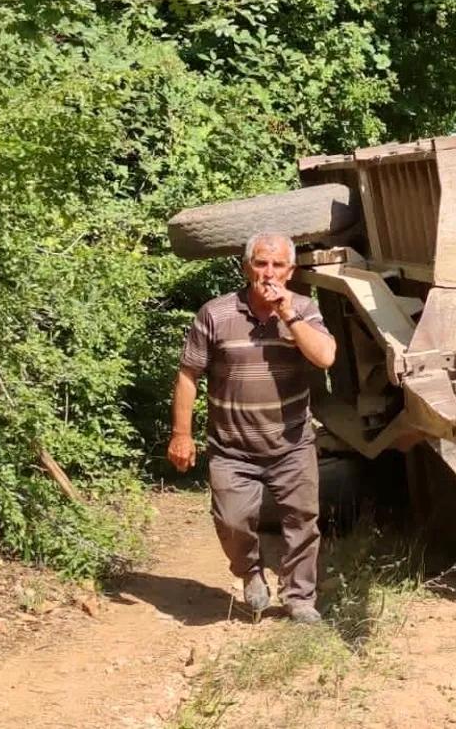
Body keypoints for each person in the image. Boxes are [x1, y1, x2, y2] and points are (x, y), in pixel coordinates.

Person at [168, 233, 336, 624]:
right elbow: (189, 374)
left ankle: (299, 599)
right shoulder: (216, 313)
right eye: (261, 263)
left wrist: (287, 314)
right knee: (231, 520)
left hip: (291, 444)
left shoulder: (305, 309)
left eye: (278, 265)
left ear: (291, 271)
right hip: (231, 448)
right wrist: (181, 434)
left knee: (301, 521)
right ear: (247, 267)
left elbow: (325, 356)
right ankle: (250, 572)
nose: (269, 273)